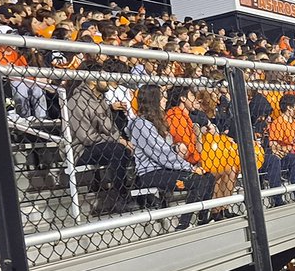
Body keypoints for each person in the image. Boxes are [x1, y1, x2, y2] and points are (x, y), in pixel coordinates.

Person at [128, 84, 215, 229]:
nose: (165, 100)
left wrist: (175, 148)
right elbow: (161, 153)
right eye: (162, 97)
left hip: (166, 168)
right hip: (150, 172)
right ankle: (183, 224)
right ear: (153, 100)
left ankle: (202, 218)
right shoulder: (141, 124)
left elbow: (167, 148)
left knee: (209, 177)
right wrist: (190, 168)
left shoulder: (158, 121)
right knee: (197, 180)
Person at [64, 78, 135, 215]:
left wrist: (120, 139)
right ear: (92, 81)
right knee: (118, 150)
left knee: (127, 148)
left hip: (104, 144)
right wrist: (117, 141)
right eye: (104, 78)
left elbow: (112, 129)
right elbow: (86, 137)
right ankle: (120, 197)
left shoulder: (101, 99)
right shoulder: (77, 101)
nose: (108, 81)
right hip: (80, 150)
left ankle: (139, 194)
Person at [165, 85, 237, 212]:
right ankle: (214, 211)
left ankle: (221, 210)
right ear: (183, 98)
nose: (196, 100)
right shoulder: (175, 117)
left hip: (201, 157)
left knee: (231, 169)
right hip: (188, 162)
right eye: (192, 96)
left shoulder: (192, 115)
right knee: (222, 171)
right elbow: (186, 147)